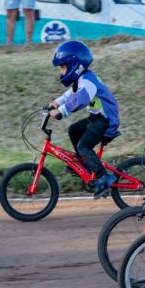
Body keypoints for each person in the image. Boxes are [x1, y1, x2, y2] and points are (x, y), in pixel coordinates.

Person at [48, 41, 120, 199]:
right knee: (74, 130)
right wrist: (56, 102)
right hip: (97, 118)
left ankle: (103, 177)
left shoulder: (88, 82)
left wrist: (61, 112)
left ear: (75, 65)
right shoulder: (82, 80)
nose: (61, 72)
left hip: (106, 121)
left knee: (83, 146)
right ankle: (85, 164)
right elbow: (70, 94)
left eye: (63, 67)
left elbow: (80, 99)